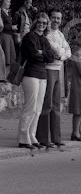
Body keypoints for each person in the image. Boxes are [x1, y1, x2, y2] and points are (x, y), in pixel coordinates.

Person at [17, 12, 56, 149]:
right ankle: (23, 137)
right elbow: (33, 55)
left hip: (42, 75)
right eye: (39, 22)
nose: (41, 25)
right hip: (30, 74)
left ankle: (32, 135)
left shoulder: (44, 39)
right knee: (30, 106)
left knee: (38, 108)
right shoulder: (29, 37)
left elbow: (52, 57)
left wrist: (42, 53)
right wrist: (42, 54)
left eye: (44, 23)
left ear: (47, 25)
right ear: (35, 22)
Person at [36, 9, 71, 147]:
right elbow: (55, 51)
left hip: (58, 70)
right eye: (54, 18)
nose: (56, 20)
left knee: (56, 105)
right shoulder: (47, 35)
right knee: (47, 104)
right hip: (49, 70)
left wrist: (61, 55)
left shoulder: (60, 34)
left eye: (59, 18)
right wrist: (62, 54)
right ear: (50, 18)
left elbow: (68, 51)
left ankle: (56, 137)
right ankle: (43, 138)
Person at [1, 0, 17, 71]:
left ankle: (7, 75)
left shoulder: (8, 12)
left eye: (10, 2)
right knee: (6, 56)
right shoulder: (1, 12)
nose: (9, 4)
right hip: (4, 36)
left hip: (10, 36)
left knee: (11, 56)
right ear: (3, 2)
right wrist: (11, 27)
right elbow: (2, 25)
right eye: (8, 2)